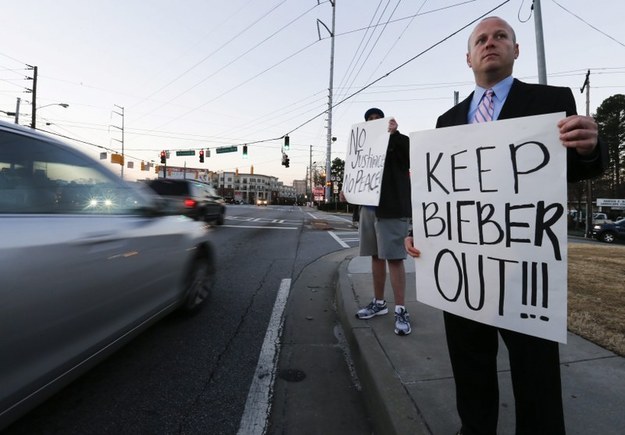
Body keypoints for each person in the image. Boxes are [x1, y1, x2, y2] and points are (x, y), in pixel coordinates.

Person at [404, 17, 606, 435]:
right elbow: (444, 193)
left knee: (536, 375)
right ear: (468, 58)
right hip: (464, 272)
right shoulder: (447, 121)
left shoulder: (551, 101)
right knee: (469, 367)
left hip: (524, 270)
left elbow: (573, 169)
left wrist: (590, 147)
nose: (490, 43)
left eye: (500, 37)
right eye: (481, 39)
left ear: (516, 50)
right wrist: (421, 230)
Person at [354, 107, 412, 336]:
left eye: (379, 119)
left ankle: (400, 309)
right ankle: (379, 303)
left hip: (392, 207)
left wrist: (394, 135)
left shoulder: (399, 141)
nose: (375, 121)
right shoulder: (362, 148)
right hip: (368, 209)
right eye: (370, 119)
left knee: (395, 258)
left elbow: (407, 159)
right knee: (376, 256)